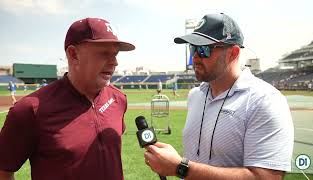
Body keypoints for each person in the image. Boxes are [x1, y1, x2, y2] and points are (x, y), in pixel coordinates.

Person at [144, 13, 294, 179]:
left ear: (233, 53)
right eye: (192, 48)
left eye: (203, 49)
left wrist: (181, 168)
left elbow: (266, 177)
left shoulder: (264, 101)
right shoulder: (195, 96)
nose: (194, 57)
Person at [0, 17, 135, 180]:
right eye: (104, 53)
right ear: (73, 54)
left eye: (115, 54)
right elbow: (4, 171)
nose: (115, 62)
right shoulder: (29, 110)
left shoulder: (118, 98)